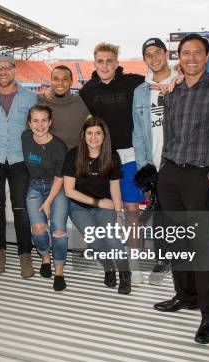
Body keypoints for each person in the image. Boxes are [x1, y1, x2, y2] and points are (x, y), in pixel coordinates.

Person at [153, 34, 209, 345]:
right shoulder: (173, 93)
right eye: (185, 52)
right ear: (180, 57)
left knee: (202, 246)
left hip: (201, 177)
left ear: (207, 57)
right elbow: (170, 134)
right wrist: (164, 169)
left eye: (197, 52)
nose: (191, 57)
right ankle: (186, 296)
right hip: (171, 174)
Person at [79, 42, 145, 283]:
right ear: (94, 63)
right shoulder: (87, 91)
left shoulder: (134, 82)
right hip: (104, 158)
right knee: (105, 210)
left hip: (130, 156)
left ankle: (134, 262)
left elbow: (160, 84)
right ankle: (111, 258)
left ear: (117, 63)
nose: (105, 65)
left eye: (109, 61)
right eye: (100, 61)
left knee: (131, 211)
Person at [0, 51, 38, 278]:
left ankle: (25, 254)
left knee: (21, 209)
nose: (3, 72)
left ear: (14, 69)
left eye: (7, 67)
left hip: (19, 159)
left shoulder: (30, 97)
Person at [62, 117, 131, 294]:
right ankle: (109, 267)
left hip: (105, 206)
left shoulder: (112, 156)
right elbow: (69, 191)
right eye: (90, 133)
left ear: (104, 136)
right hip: (79, 206)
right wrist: (97, 202)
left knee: (113, 240)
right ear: (83, 135)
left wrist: (119, 214)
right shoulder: (73, 155)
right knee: (94, 241)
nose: (94, 137)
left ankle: (125, 273)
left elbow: (115, 188)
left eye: (98, 133)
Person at [132, 38, 178, 285]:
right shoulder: (140, 91)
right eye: (148, 54)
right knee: (160, 216)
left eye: (157, 52)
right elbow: (138, 133)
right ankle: (163, 260)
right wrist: (144, 168)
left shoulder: (181, 82)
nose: (153, 57)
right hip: (155, 163)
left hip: (180, 162)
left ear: (166, 53)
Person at [22, 105, 69, 290]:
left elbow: (60, 178)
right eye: (35, 120)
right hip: (35, 186)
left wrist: (48, 202)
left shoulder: (59, 146)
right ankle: (45, 258)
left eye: (44, 120)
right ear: (29, 123)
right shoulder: (25, 137)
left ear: (50, 122)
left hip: (56, 188)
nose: (39, 125)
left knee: (58, 230)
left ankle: (59, 272)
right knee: (39, 228)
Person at [37, 65, 90, 149]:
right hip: (45, 156)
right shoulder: (38, 99)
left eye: (65, 79)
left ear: (71, 82)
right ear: (51, 81)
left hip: (72, 157)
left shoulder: (82, 101)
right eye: (56, 79)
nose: (60, 83)